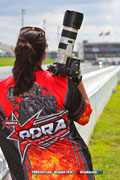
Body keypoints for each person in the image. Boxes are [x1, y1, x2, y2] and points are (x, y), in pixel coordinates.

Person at [0, 26, 95, 180]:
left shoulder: (1, 91)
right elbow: (84, 117)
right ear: (44, 55)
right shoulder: (61, 83)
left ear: (16, 52)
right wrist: (76, 80)